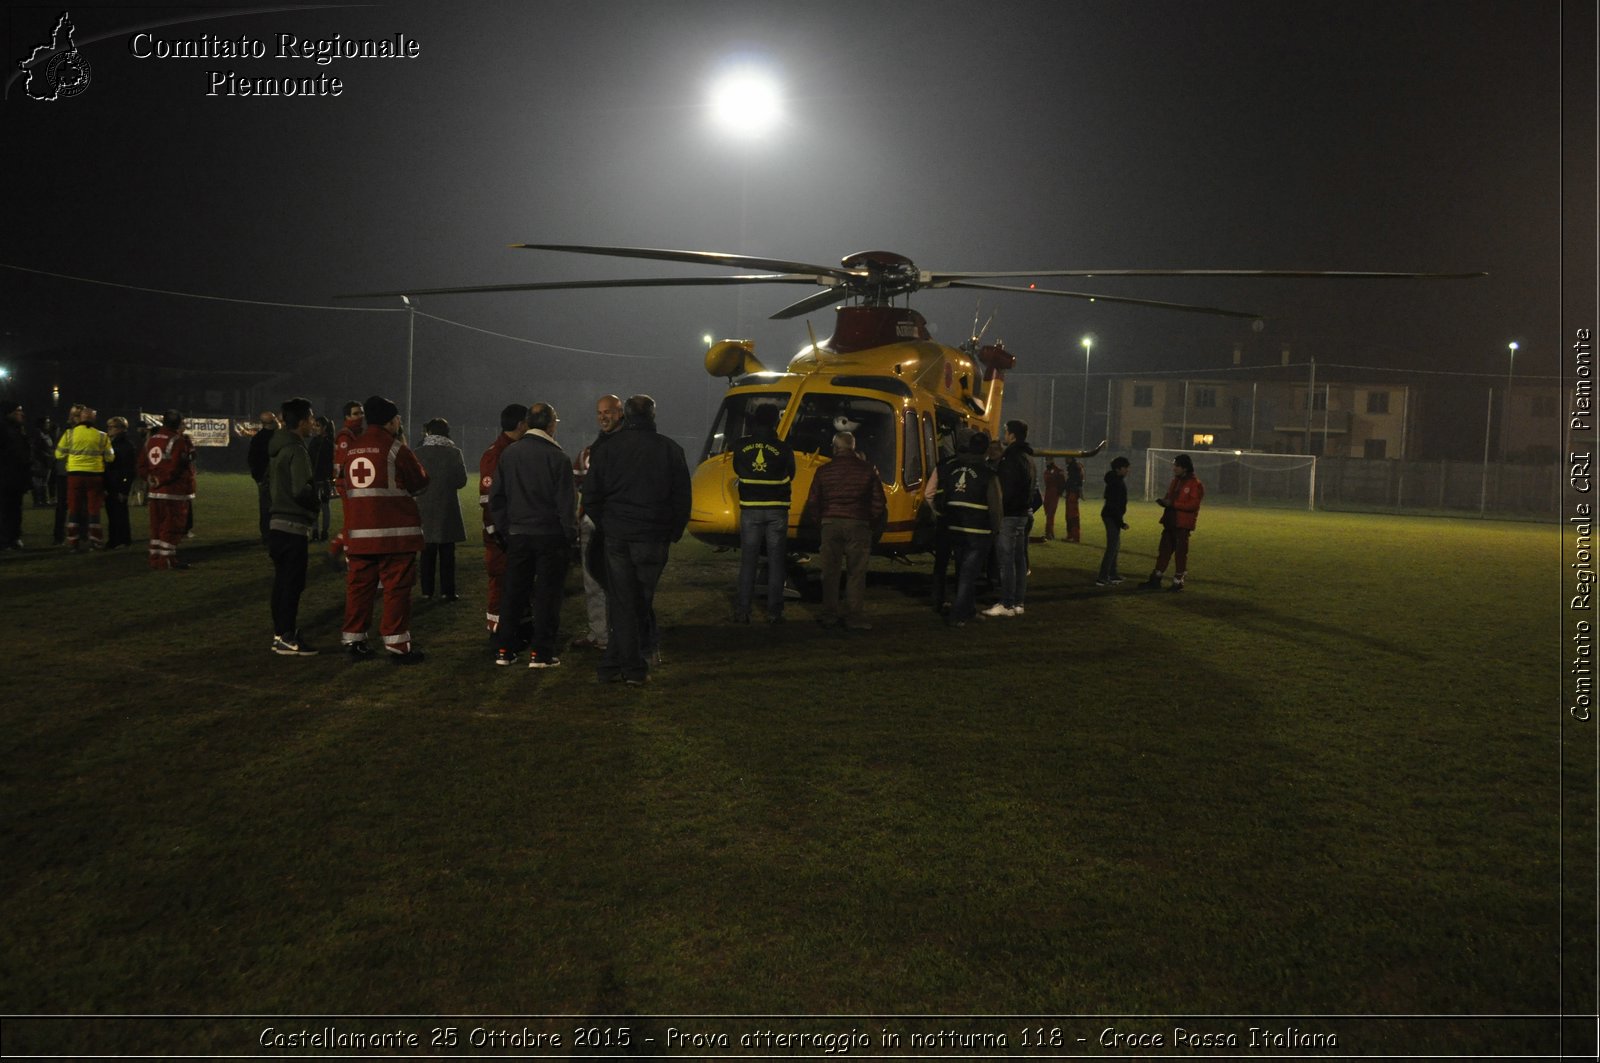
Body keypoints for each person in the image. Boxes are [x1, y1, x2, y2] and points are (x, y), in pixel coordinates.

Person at [581, 394, 691, 685]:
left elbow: (590, 496)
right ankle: (629, 667)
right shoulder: (670, 449)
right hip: (653, 537)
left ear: (625, 416)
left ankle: (615, 665)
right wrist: (674, 530)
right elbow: (682, 497)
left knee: (624, 601)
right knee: (639, 600)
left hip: (618, 536)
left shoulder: (607, 449)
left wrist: (608, 524)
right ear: (653, 415)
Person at [339, 394, 429, 663]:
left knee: (359, 588)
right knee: (397, 589)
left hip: (359, 533)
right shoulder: (394, 448)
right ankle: (398, 644)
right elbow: (421, 483)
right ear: (392, 420)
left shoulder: (353, 448)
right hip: (394, 534)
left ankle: (354, 640)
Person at [489, 403, 576, 669]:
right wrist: (569, 536)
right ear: (551, 424)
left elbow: (497, 499)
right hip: (550, 536)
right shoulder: (558, 457)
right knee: (547, 596)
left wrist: (506, 530)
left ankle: (504, 649)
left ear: (527, 423)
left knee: (513, 594)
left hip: (518, 534)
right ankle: (542, 653)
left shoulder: (509, 454)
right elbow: (566, 505)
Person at [804, 430, 887, 631]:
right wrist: (870, 523)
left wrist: (821, 522)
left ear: (834, 448)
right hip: (858, 524)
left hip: (830, 524)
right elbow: (879, 502)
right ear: (853, 447)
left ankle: (829, 614)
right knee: (856, 572)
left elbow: (813, 502)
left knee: (830, 572)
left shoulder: (824, 471)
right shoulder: (867, 470)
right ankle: (854, 616)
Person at [731, 401, 795, 624]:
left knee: (748, 561)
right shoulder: (784, 448)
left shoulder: (740, 446)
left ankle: (742, 611)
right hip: (777, 510)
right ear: (775, 420)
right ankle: (774, 612)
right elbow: (792, 474)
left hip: (750, 509)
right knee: (777, 562)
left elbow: (738, 469)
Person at [267, 397, 321, 655]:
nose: (313, 423)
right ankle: (287, 637)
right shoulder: (297, 450)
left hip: (276, 524)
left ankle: (280, 632)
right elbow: (302, 489)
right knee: (292, 584)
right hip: (292, 525)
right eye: (310, 418)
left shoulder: (278, 447)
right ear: (301, 422)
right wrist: (317, 499)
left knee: (281, 582)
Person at [933, 432, 1003, 627]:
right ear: (986, 450)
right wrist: (996, 530)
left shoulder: (953, 469)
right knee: (968, 575)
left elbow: (941, 496)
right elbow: (996, 506)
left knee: (963, 571)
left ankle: (969, 610)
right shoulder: (988, 474)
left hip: (954, 528)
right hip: (978, 531)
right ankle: (958, 615)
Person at [570, 394, 622, 650]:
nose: (603, 416)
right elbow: (578, 483)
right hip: (593, 523)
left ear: (621, 412)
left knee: (620, 582)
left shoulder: (628, 447)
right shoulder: (589, 452)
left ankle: (618, 633)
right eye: (600, 412)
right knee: (592, 581)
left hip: (619, 524)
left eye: (609, 411)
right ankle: (600, 634)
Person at [479, 403, 528, 637]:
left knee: (515, 580)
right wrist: (497, 532)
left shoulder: (512, 449)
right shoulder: (496, 454)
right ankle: (496, 629)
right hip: (501, 534)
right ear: (521, 424)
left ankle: (513, 624)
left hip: (512, 530)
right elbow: (488, 499)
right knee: (500, 580)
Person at [416, 417, 468, 601]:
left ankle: (426, 591)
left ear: (428, 432)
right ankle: (448, 591)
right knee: (447, 552)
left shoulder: (418, 453)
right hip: (447, 506)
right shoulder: (454, 453)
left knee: (427, 552)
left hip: (424, 506)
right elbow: (461, 481)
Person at [988, 419, 1036, 617]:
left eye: (1006, 432)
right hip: (1023, 514)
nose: (1003, 435)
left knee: (1006, 561)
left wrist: (999, 511)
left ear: (1012, 435)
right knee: (1019, 560)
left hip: (1009, 515)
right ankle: (1018, 603)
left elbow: (1005, 490)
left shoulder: (1011, 458)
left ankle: (1006, 604)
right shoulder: (1029, 457)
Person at [136, 409, 195, 570]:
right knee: (172, 526)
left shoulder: (151, 440)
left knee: (156, 526)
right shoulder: (178, 441)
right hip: (173, 491)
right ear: (178, 423)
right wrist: (162, 480)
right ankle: (167, 560)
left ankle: (155, 558)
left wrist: (150, 478)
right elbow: (176, 467)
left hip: (154, 492)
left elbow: (141, 465)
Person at [55, 404, 114, 551]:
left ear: (80, 418)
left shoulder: (69, 434)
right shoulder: (102, 436)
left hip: (74, 475)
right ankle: (96, 541)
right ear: (94, 420)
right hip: (95, 476)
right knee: (94, 509)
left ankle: (73, 542)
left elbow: (59, 454)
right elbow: (110, 457)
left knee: (74, 509)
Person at [1144, 453, 1205, 592]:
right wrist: (1165, 502)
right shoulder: (1176, 481)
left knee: (1180, 553)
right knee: (1163, 550)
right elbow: (1170, 497)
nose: (1174, 468)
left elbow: (1193, 505)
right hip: (1170, 521)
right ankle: (1156, 578)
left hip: (1182, 524)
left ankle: (1178, 581)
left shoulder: (1195, 484)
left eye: (1177, 465)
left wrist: (1173, 504)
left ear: (1185, 467)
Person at [1095, 456, 1131, 586]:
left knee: (1116, 546)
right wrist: (1121, 523)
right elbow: (1114, 505)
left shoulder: (1116, 481)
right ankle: (1102, 577)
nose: (1127, 470)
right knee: (1112, 547)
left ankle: (1113, 574)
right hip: (1111, 517)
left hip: (1112, 516)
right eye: (1125, 468)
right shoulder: (1116, 483)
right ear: (1118, 469)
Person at [102, 415, 137, 549]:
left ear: (121, 428)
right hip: (110, 483)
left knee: (119, 513)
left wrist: (124, 489)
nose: (109, 429)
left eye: (112, 426)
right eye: (108, 426)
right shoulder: (111, 442)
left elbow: (129, 469)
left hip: (118, 483)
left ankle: (121, 539)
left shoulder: (126, 446)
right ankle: (115, 539)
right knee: (112, 512)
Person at [246, 410, 279, 543]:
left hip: (264, 477)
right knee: (276, 507)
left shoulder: (258, 438)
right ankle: (273, 533)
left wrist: (257, 477)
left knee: (265, 507)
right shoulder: (278, 436)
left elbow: (252, 460)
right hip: (273, 476)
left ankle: (267, 534)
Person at [0, 401, 29, 550]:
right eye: (18, 411)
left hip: (17, 477)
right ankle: (5, 540)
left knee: (16, 509)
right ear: (10, 413)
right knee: (6, 510)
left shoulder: (19, 430)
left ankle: (14, 537)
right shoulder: (4, 430)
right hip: (6, 477)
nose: (21, 414)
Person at [307, 414, 334, 541]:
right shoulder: (314, 441)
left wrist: (328, 478)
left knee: (324, 506)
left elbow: (331, 462)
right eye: (314, 425)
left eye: (318, 426)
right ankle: (315, 531)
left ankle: (324, 532)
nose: (315, 428)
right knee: (314, 506)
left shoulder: (328, 443)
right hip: (314, 479)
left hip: (323, 480)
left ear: (324, 427)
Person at [1041, 458, 1065, 540]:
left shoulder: (1057, 471)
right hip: (1048, 493)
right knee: (1048, 512)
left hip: (1053, 493)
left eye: (1047, 460)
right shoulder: (1047, 471)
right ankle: (1050, 532)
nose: (1046, 462)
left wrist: (1059, 492)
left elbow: (1062, 482)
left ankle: (1049, 532)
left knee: (1050, 513)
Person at [1063, 456, 1084, 542]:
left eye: (1066, 458)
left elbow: (1075, 481)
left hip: (1072, 493)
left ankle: (1075, 536)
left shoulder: (1074, 468)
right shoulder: (1074, 468)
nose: (1065, 460)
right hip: (1071, 493)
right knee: (1069, 515)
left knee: (1073, 516)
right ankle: (1071, 535)